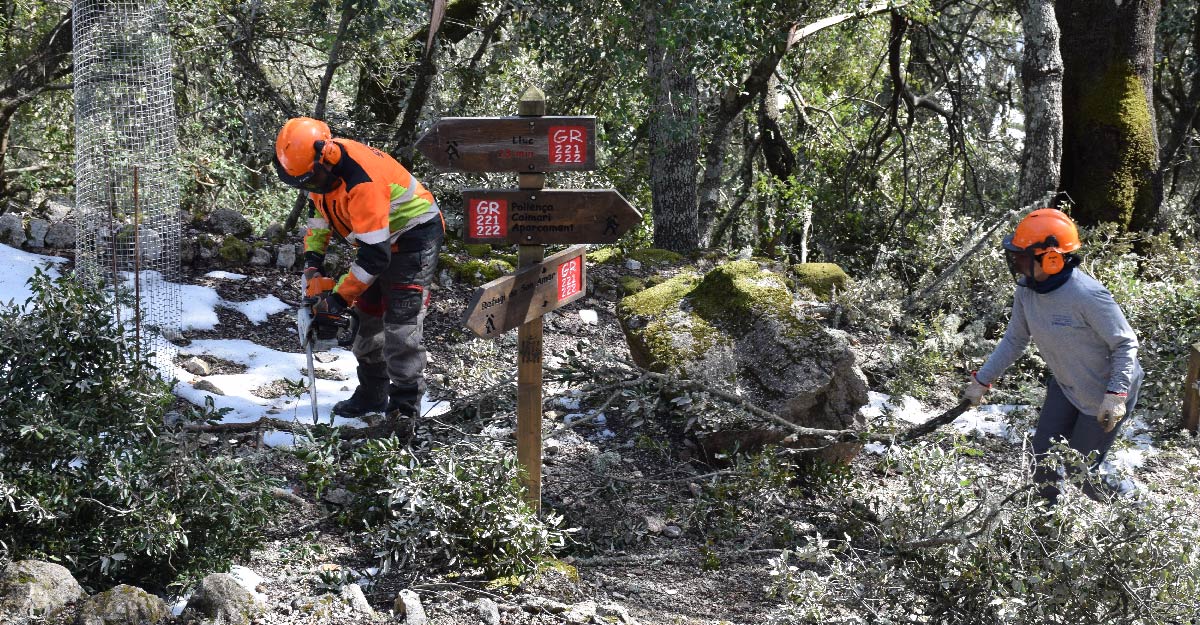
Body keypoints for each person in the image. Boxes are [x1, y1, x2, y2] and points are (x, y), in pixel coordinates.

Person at [961, 208, 1142, 502]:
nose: (1016, 263)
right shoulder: (1027, 291)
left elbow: (1125, 344)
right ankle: (1045, 519)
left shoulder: (1087, 295)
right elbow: (1015, 340)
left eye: (1022, 256)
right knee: (1041, 456)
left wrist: (1116, 394)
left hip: (1104, 390)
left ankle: (1133, 509)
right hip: (1067, 383)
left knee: (1081, 470)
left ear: (1052, 259)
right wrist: (981, 381)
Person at [274, 117, 443, 419]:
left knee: (400, 325)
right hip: (377, 241)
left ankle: (405, 411)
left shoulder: (362, 181)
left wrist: (338, 300)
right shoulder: (318, 177)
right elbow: (319, 218)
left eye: (311, 180)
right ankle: (372, 392)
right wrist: (313, 261)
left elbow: (375, 259)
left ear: (326, 158)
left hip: (413, 235)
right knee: (366, 318)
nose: (309, 187)